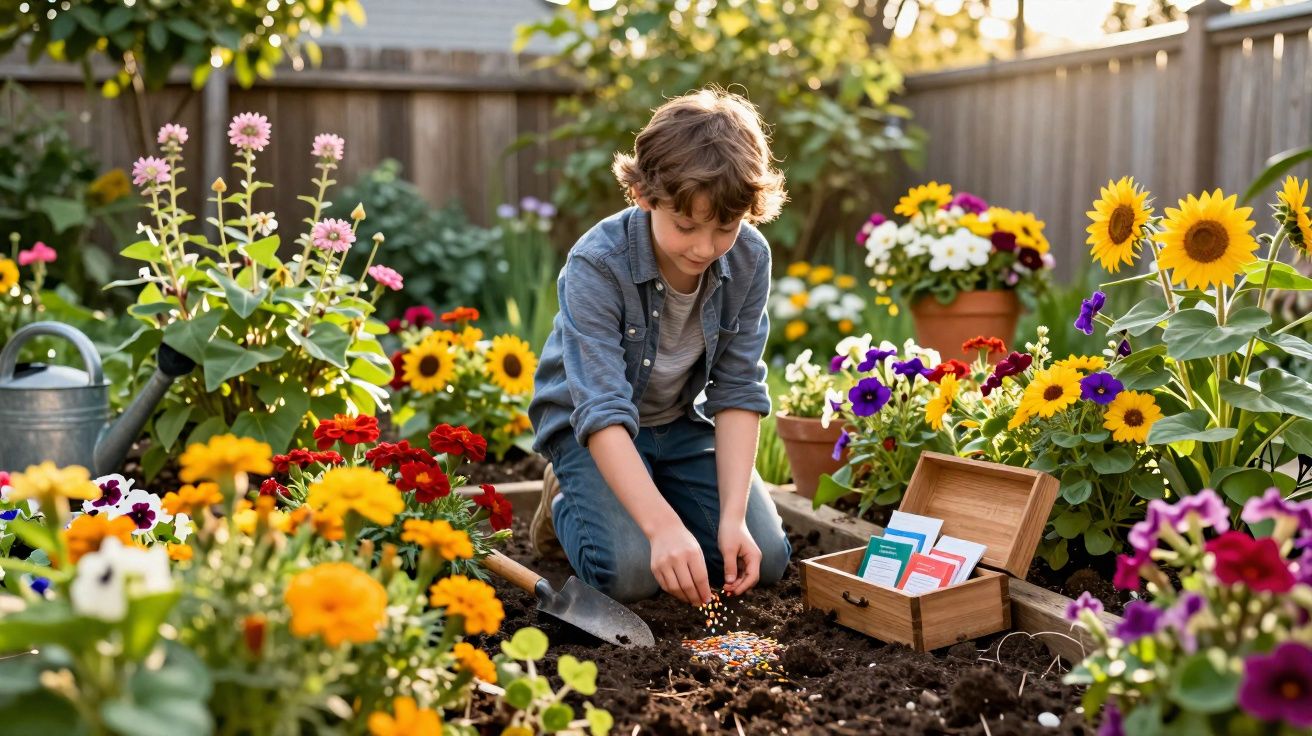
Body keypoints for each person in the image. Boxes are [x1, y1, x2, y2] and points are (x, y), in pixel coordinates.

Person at [527, 87, 792, 607]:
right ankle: (565, 497)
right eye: (686, 225)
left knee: (762, 558)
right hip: (591, 430)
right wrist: (663, 528)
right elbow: (600, 408)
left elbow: (738, 389)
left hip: (676, 423)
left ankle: (656, 493)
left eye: (725, 227)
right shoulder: (597, 264)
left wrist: (733, 519)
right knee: (630, 575)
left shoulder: (750, 258)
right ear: (644, 196)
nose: (705, 247)